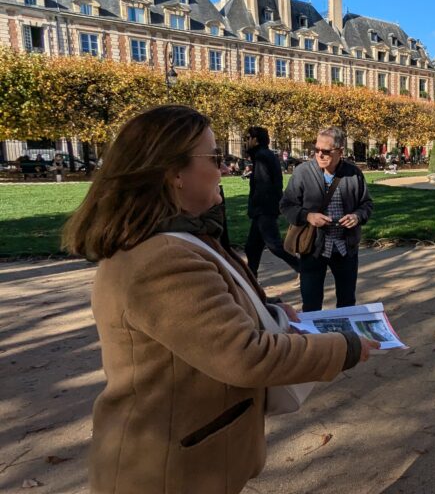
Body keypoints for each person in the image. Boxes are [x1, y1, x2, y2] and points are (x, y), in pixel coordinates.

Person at [62, 105, 377, 494]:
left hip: (186, 460)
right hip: (165, 472)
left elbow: (208, 311)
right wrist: (345, 347)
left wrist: (271, 310)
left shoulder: (180, 239)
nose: (226, 168)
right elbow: (245, 355)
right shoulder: (162, 258)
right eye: (213, 158)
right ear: (174, 173)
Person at [281, 127, 373, 312]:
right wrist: (308, 216)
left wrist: (357, 216)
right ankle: (314, 340)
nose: (319, 155)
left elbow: (366, 204)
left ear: (340, 151)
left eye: (326, 151)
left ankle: (345, 339)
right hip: (314, 247)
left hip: (345, 247)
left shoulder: (353, 174)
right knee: (312, 303)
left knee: (347, 303)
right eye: (316, 150)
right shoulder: (303, 172)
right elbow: (286, 205)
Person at [243, 126, 300, 279]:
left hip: (264, 209)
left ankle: (303, 268)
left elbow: (264, 184)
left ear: (255, 140)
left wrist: (258, 207)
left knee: (274, 245)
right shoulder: (263, 155)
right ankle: (251, 279)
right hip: (264, 209)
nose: (245, 141)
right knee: (252, 247)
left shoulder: (262, 156)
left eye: (248, 138)